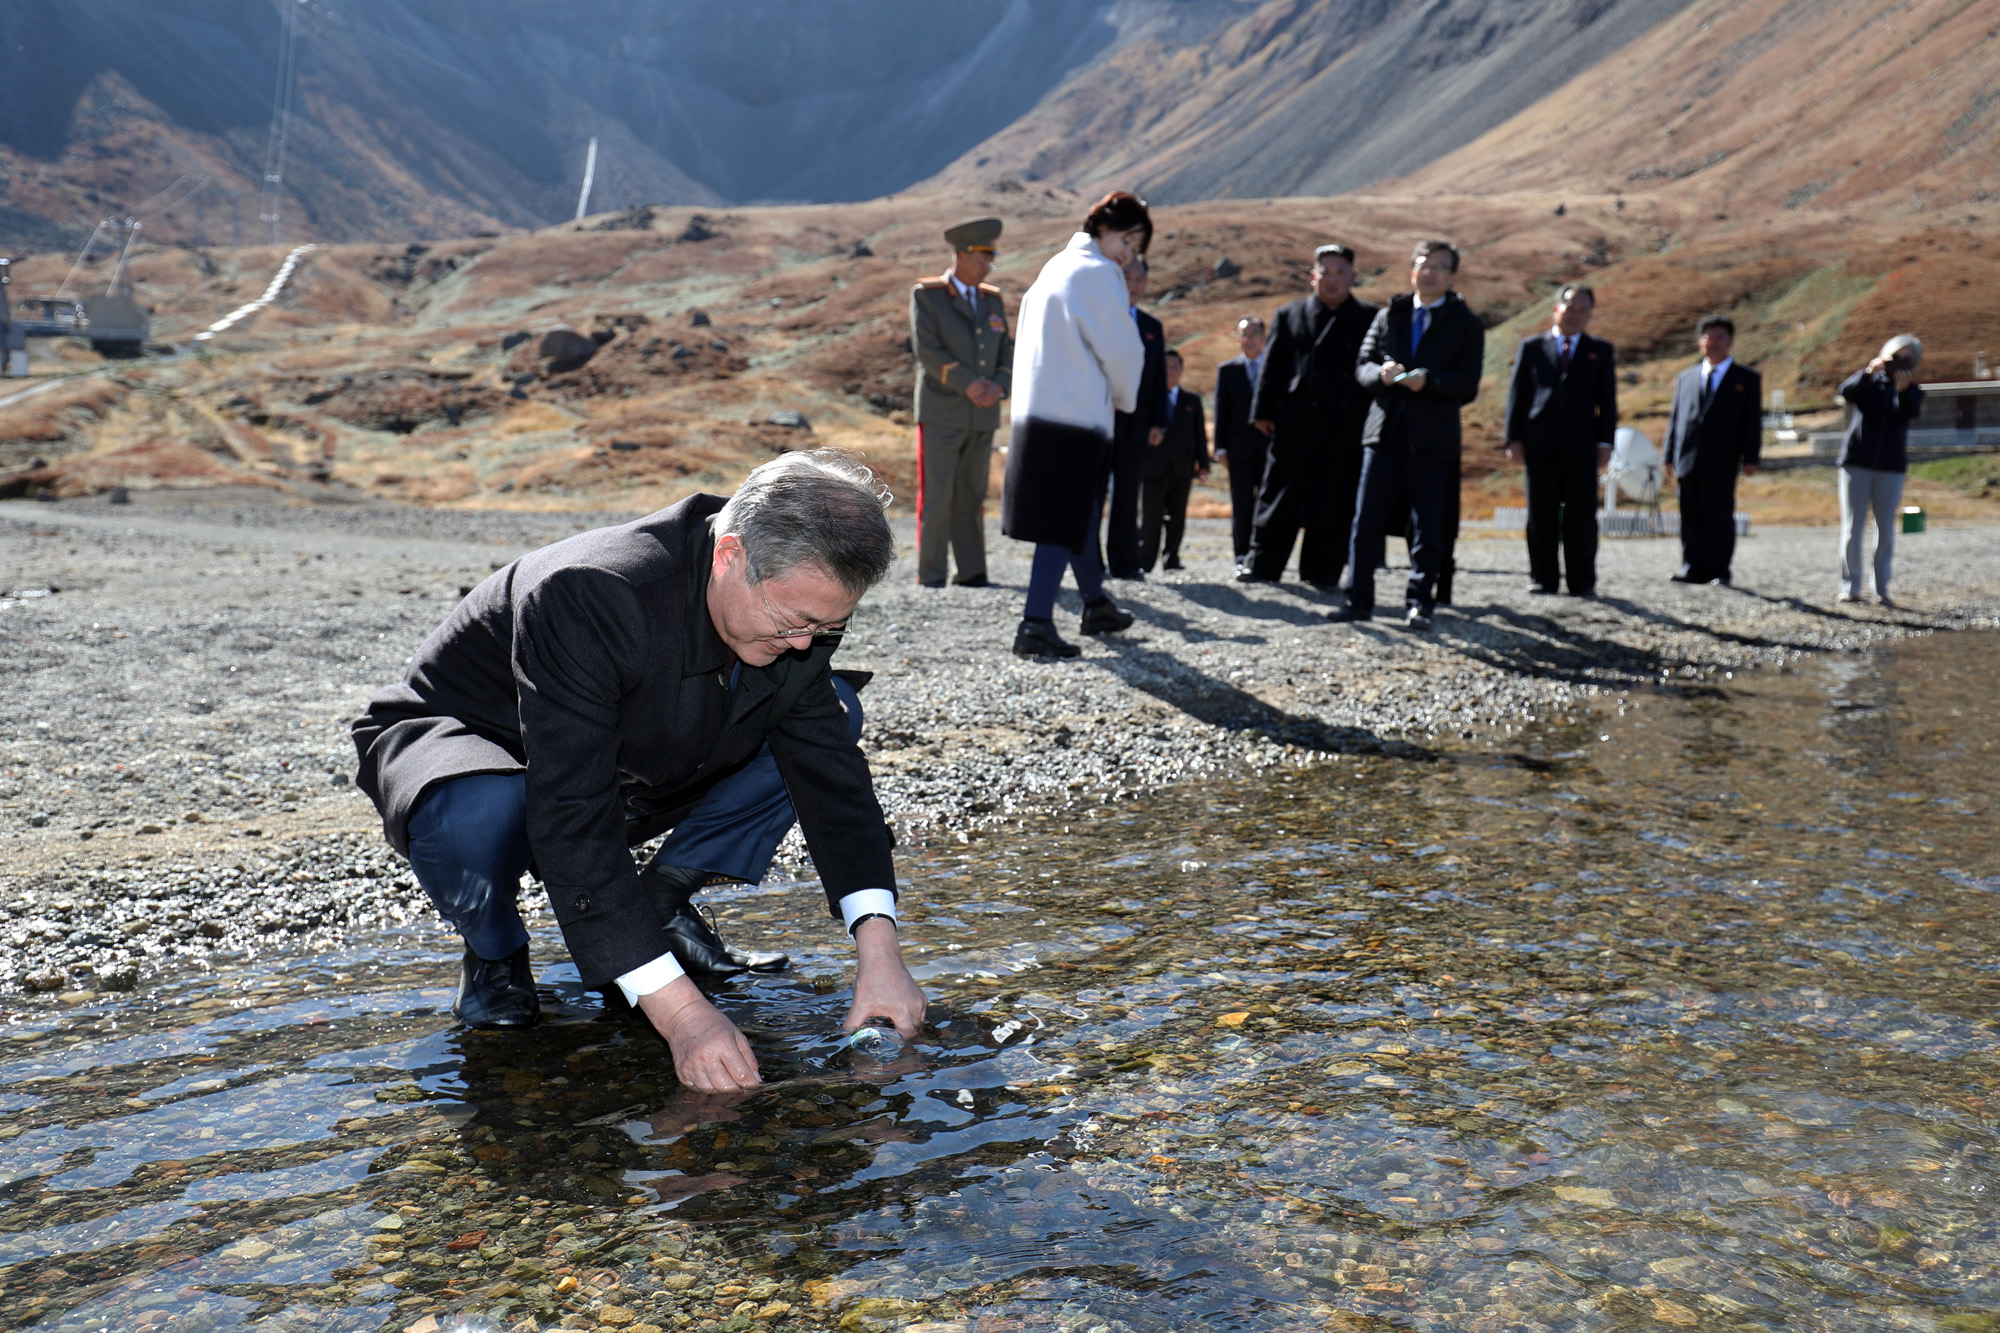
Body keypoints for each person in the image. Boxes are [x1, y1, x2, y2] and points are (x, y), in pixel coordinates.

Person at [350, 451, 927, 1093]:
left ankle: (658, 907)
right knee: (475, 814)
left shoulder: (793, 612)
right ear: (729, 555)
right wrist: (681, 1015)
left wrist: (882, 956)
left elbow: (831, 778)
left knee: (836, 711)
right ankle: (495, 951)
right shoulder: (593, 592)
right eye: (794, 622)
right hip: (485, 750)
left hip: (634, 749)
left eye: (829, 626)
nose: (803, 645)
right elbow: (571, 808)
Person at [1000, 190, 1149, 658]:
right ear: (1104, 227)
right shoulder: (1099, 273)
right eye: (1128, 238)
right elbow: (1122, 351)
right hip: (1076, 416)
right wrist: (1126, 398)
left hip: (1038, 412)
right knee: (1063, 520)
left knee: (1076, 514)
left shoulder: (1055, 267)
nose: (1129, 252)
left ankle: (1096, 604)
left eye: (1137, 246)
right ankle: (1036, 623)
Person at [1335, 239, 1485, 629]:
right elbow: (1362, 366)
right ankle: (1358, 600)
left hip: (1433, 439)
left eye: (1439, 266)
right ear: (1412, 270)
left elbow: (1468, 382)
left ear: (1451, 276)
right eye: (1423, 264)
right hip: (1383, 433)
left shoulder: (1466, 323)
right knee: (1365, 521)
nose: (1430, 271)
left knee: (1428, 527)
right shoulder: (1391, 315)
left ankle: (1419, 603)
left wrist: (1429, 381)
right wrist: (1382, 377)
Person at [1243, 244, 1378, 590]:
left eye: (1340, 273)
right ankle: (1261, 565)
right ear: (1312, 276)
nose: (1332, 280)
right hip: (1294, 422)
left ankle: (1322, 572)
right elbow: (1272, 368)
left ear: (1352, 277)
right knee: (1278, 496)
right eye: (1325, 272)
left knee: (1334, 499)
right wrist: (1261, 412)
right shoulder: (1290, 314)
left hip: (1345, 425)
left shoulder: (1369, 316)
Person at [909, 216, 1013, 588]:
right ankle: (932, 573)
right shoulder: (929, 295)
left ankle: (971, 571)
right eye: (984, 257)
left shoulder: (992, 300)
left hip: (982, 416)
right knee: (938, 495)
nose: (989, 265)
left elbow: (1007, 351)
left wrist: (999, 386)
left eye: (991, 258)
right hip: (943, 413)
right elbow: (928, 351)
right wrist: (969, 384)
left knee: (972, 495)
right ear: (963, 254)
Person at [1503, 283, 1619, 596]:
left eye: (1583, 309)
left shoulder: (1600, 351)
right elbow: (1517, 397)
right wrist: (1513, 439)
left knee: (1582, 516)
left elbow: (1607, 402)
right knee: (1540, 515)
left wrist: (1605, 444)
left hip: (1582, 448)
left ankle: (1582, 582)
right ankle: (1543, 578)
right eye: (1570, 307)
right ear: (1556, 309)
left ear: (1590, 314)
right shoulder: (1531, 347)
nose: (1575, 314)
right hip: (1539, 445)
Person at [1663, 315, 1762, 585]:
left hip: (1722, 459)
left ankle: (1719, 570)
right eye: (1708, 337)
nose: (1713, 342)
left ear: (1730, 341)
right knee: (1690, 517)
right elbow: (1676, 418)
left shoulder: (1747, 378)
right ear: (1699, 342)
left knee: (1718, 516)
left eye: (1719, 337)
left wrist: (1751, 457)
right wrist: (1668, 453)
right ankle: (1692, 568)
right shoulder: (1686, 377)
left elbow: (1752, 421)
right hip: (1687, 459)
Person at [1837, 334, 1925, 606]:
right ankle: (1850, 587)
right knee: (1852, 528)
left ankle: (1881, 589)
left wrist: (1902, 389)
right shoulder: (1869, 383)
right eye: (1895, 356)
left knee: (1884, 529)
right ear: (1885, 355)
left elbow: (1909, 412)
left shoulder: (1913, 391)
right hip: (1856, 463)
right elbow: (1846, 393)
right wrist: (1868, 372)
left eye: (1907, 359)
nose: (1900, 363)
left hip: (1891, 468)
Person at [1104, 256, 1170, 580]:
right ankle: (1086, 562)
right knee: (1091, 495)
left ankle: (1125, 562)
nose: (1133, 285)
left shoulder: (1152, 328)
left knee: (1128, 496)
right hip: (1099, 421)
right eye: (1126, 278)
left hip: (1137, 425)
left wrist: (1159, 422)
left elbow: (1159, 380)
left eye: (1139, 279)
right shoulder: (1100, 318)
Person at [1138, 348, 1209, 571]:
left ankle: (1172, 558)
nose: (1171, 371)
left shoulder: (1191, 400)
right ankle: (1145, 561)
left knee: (1177, 518)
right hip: (1152, 467)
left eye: (1175, 366)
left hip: (1182, 467)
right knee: (1150, 517)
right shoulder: (1149, 398)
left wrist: (1203, 465)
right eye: (1166, 367)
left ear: (1181, 370)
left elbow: (1200, 434)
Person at [1212, 316, 1268, 573]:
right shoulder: (1228, 370)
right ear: (1237, 339)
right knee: (1242, 502)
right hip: (1239, 449)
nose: (1249, 339)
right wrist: (1220, 448)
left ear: (1264, 337)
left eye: (1254, 333)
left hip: (1270, 448)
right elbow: (1220, 411)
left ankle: (1265, 556)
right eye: (1244, 334)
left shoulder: (1275, 366)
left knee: (1268, 503)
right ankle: (1241, 556)